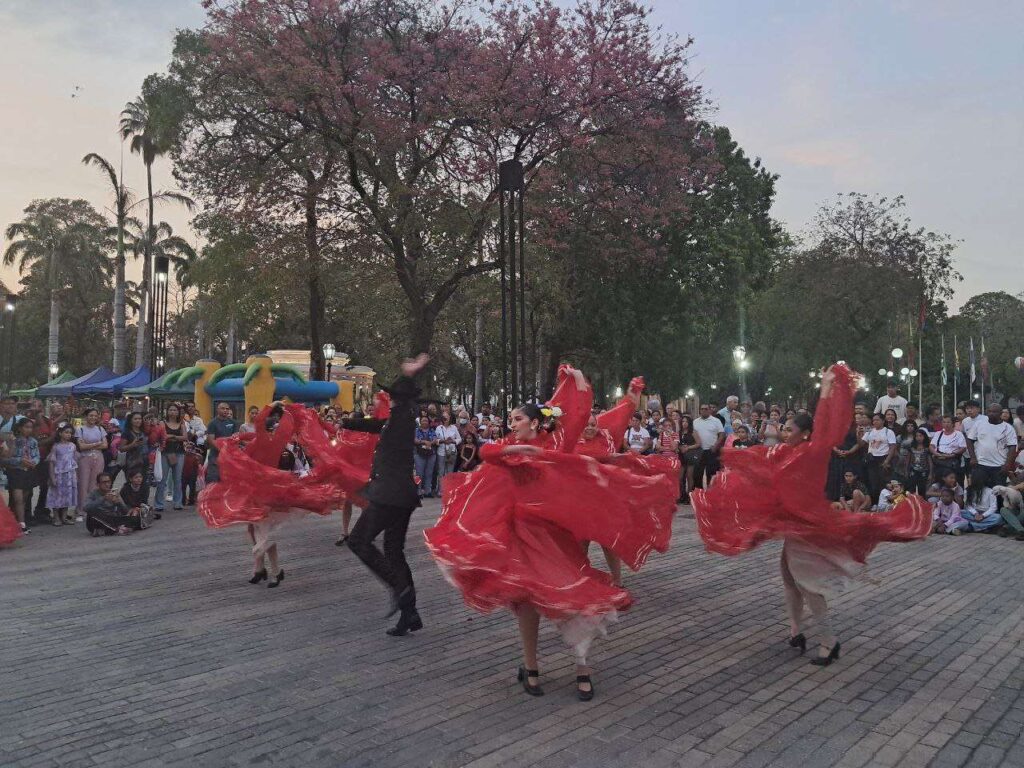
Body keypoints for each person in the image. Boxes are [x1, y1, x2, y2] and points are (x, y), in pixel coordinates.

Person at [425, 365, 677, 701]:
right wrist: (514, 449)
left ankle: (582, 665)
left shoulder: (558, 440)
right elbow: (485, 452)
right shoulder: (507, 445)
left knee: (573, 597)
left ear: (533, 421)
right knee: (526, 600)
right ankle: (530, 666)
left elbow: (578, 411)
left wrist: (576, 381)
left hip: (559, 534)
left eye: (517, 419)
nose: (511, 424)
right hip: (522, 537)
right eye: (510, 420)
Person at [692, 365, 930, 666]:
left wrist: (830, 388)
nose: (784, 431)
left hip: (808, 526)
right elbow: (758, 460)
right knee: (790, 580)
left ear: (805, 433)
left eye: (791, 429)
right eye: (784, 427)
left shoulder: (812, 451)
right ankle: (796, 631)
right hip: (796, 526)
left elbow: (829, 421)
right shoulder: (784, 452)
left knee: (807, 585)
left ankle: (828, 641)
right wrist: (731, 458)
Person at [342, 354, 430, 636]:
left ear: (398, 400)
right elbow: (376, 425)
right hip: (399, 495)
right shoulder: (394, 421)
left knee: (357, 540)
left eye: (391, 395)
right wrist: (346, 424)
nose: (388, 398)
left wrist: (409, 375)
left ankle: (399, 589)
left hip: (390, 496)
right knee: (393, 550)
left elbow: (401, 410)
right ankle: (410, 613)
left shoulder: (404, 418)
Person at [966, 402, 1018, 489]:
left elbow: (1012, 447)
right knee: (978, 491)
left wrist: (1007, 464)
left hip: (999, 467)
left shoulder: (1008, 428)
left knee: (998, 495)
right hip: (980, 464)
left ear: (1001, 413)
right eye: (989, 411)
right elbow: (969, 440)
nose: (991, 414)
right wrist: (973, 457)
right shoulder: (979, 424)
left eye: (995, 412)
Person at [4, 419, 39, 534]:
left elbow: (37, 455)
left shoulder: (33, 441)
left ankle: (17, 521)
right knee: (17, 499)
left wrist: (33, 462)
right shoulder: (13, 440)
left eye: (30, 427)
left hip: (28, 471)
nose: (29, 429)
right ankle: (22, 524)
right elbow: (6, 459)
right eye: (26, 427)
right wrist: (20, 460)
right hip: (16, 472)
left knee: (23, 499)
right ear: (19, 428)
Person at [154, 404, 187, 512]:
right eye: (171, 409)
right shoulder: (162, 423)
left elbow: (185, 437)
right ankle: (159, 504)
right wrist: (175, 437)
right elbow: (160, 436)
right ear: (167, 411)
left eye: (175, 410)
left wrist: (172, 437)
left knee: (177, 479)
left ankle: (178, 502)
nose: (173, 412)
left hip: (179, 453)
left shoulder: (181, 423)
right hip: (165, 453)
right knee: (162, 480)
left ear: (178, 412)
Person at [862, 414, 897, 504]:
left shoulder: (888, 432)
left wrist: (887, 460)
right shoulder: (870, 432)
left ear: (883, 421)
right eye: (873, 420)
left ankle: (885, 502)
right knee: (873, 482)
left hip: (883, 458)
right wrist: (858, 434)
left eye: (877, 420)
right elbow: (861, 443)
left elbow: (892, 446)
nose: (875, 422)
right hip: (872, 459)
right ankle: (874, 503)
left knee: (884, 482)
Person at [47, 425, 79, 525]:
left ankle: (64, 517)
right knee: (57, 495)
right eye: (66, 432)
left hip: (69, 475)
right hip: (58, 474)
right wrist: (52, 477)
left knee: (67, 495)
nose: (68, 434)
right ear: (60, 433)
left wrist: (76, 475)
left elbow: (74, 461)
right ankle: (56, 518)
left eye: (70, 433)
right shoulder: (56, 446)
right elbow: (51, 462)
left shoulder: (73, 446)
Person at [204, 402, 240, 484]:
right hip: (215, 456)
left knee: (227, 480)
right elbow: (211, 440)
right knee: (213, 479)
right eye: (223, 408)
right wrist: (221, 449)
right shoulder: (212, 423)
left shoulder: (233, 423)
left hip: (229, 456)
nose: (225, 410)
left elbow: (235, 438)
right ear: (218, 410)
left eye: (227, 409)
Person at [693, 403, 725, 488]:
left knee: (711, 474)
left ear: (709, 410)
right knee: (697, 474)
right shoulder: (695, 422)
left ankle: (711, 494)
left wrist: (716, 446)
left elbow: (722, 434)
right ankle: (699, 494)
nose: (704, 410)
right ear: (699, 410)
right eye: (702, 409)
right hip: (699, 451)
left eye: (706, 409)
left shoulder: (716, 421)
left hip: (712, 451)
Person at [930, 415, 967, 485]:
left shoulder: (958, 434)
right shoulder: (938, 433)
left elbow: (963, 448)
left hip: (953, 462)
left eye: (948, 422)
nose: (946, 424)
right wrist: (936, 453)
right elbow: (931, 446)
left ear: (953, 423)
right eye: (944, 422)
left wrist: (952, 454)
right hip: (939, 461)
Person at [434, 411, 461, 489]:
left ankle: (448, 489)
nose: (445, 418)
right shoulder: (439, 428)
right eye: (444, 417)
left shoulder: (454, 427)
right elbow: (435, 440)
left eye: (447, 416)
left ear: (450, 418)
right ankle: (440, 490)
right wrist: (443, 441)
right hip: (441, 452)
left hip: (452, 452)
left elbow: (459, 439)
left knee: (450, 472)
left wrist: (452, 441)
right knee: (441, 471)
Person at [413, 415, 438, 499]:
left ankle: (428, 491)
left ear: (428, 422)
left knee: (429, 473)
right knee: (419, 473)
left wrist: (430, 443)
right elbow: (415, 440)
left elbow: (435, 439)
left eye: (426, 421)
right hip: (419, 454)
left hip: (431, 454)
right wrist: (423, 441)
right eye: (423, 420)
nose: (424, 422)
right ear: (420, 422)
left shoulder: (432, 430)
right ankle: (418, 491)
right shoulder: (417, 430)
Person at [903, 429, 932, 496]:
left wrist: (930, 474)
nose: (918, 438)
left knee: (922, 489)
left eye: (920, 436)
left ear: (924, 437)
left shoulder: (927, 448)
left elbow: (930, 462)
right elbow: (908, 460)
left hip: (924, 471)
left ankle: (921, 504)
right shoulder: (912, 447)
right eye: (917, 436)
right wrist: (906, 471)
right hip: (913, 470)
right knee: (911, 488)